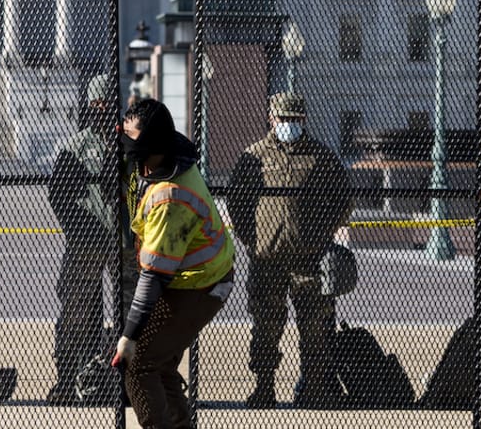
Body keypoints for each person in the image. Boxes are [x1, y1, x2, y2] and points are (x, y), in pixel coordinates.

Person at [111, 97, 236, 429]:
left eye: (130, 137)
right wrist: (122, 133)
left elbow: (153, 277)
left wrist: (129, 336)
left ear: (150, 144)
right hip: (186, 278)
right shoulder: (160, 156)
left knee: (139, 364)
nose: (124, 143)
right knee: (161, 363)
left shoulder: (171, 197)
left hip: (200, 283)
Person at [227, 91, 352, 408]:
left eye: (294, 119)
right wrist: (252, 239)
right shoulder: (255, 155)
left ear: (303, 119)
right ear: (272, 118)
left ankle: (314, 391)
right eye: (283, 118)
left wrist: (323, 232)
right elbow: (236, 201)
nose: (288, 124)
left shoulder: (320, 157)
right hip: (267, 259)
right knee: (266, 327)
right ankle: (264, 387)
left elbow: (343, 198)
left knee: (314, 329)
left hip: (308, 259)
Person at [46, 73, 134, 403]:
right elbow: (58, 195)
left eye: (107, 104)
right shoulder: (76, 147)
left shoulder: (131, 144)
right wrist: (78, 228)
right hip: (87, 241)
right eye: (95, 104)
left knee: (131, 312)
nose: (101, 110)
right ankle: (68, 379)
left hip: (124, 242)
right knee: (76, 310)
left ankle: (129, 381)